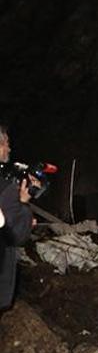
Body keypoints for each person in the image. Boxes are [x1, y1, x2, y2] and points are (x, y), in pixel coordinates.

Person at [0, 125, 38, 311]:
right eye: (5, 144)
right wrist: (23, 204)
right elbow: (16, 235)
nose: (8, 149)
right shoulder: (6, 189)